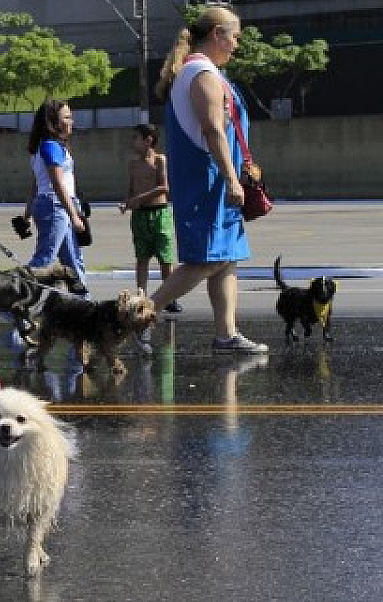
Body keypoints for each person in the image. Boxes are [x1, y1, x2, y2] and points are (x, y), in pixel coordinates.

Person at [150, 5, 267, 354]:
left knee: (226, 257)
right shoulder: (201, 72)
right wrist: (231, 179)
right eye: (234, 37)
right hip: (208, 180)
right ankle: (138, 316)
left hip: (213, 179)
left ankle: (226, 334)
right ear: (217, 34)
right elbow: (213, 130)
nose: (236, 45)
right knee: (207, 259)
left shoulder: (203, 71)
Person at [19, 99, 89, 297]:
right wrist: (74, 215)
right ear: (53, 123)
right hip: (55, 206)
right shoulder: (50, 147)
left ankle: (84, 303)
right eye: (67, 117)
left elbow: (35, 184)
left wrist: (27, 214)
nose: (71, 121)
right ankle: (13, 300)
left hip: (56, 205)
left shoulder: (47, 147)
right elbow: (57, 185)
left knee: (73, 260)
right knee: (44, 260)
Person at [121, 123, 181, 314]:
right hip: (140, 216)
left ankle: (169, 297)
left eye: (136, 138)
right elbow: (131, 189)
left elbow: (164, 187)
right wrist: (127, 202)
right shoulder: (133, 164)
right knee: (142, 258)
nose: (133, 142)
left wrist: (139, 198)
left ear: (148, 141)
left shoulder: (159, 160)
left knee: (165, 259)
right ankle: (141, 296)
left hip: (159, 213)